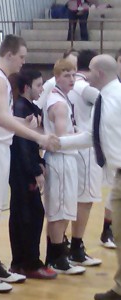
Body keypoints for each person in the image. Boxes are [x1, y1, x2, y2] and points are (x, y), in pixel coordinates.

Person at [0, 34, 60, 292]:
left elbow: (5, 118)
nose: (23, 62)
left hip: (0, 145)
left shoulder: (1, 79)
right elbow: (1, 118)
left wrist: (25, 123)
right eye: (21, 57)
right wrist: (38, 135)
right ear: (9, 54)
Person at [9, 69, 57, 279]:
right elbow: (22, 144)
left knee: (28, 215)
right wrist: (35, 170)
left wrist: (39, 161)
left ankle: (21, 262)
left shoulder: (30, 107)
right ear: (27, 87)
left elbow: (34, 141)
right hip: (22, 172)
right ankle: (28, 263)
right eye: (38, 85)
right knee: (29, 216)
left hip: (27, 167)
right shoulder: (20, 109)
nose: (42, 88)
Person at [43, 59, 86, 275]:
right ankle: (57, 257)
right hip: (59, 159)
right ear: (57, 77)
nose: (71, 79)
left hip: (66, 159)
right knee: (58, 211)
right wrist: (83, 136)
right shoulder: (58, 102)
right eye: (66, 75)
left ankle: (55, 254)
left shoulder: (64, 98)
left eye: (74, 74)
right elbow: (60, 136)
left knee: (65, 209)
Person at [86, 54, 121, 300]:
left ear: (99, 73)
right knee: (119, 233)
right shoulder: (103, 98)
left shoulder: (117, 97)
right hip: (117, 176)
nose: (85, 75)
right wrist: (54, 142)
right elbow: (92, 136)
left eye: (89, 70)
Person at [68, 49, 102, 266]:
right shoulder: (85, 88)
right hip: (85, 148)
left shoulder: (57, 83)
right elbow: (108, 102)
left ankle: (65, 247)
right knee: (85, 200)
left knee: (70, 199)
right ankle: (76, 247)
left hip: (69, 146)